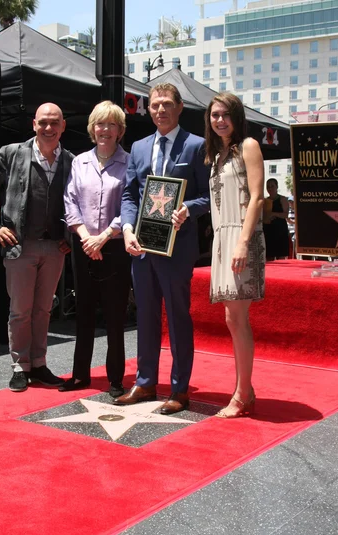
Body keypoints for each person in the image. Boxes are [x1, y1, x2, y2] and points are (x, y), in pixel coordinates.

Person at [116, 83, 210, 415]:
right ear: (148, 109)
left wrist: (189, 209)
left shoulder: (196, 146)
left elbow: (209, 195)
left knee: (178, 317)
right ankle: (145, 382)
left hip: (178, 247)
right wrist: (127, 228)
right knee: (145, 316)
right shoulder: (139, 147)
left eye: (167, 104)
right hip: (141, 246)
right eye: (155, 105)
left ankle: (180, 389)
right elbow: (129, 196)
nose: (160, 110)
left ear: (180, 107)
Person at [0, 103, 73, 392]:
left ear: (63, 126)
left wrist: (70, 234)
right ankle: (19, 365)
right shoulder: (12, 153)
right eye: (43, 122)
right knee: (20, 311)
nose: (49, 128)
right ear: (34, 124)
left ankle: (38, 363)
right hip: (20, 246)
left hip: (55, 247)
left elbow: (79, 201)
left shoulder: (71, 160)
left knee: (43, 310)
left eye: (54, 123)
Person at [60, 101, 131, 396]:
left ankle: (115, 378)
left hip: (114, 247)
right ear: (92, 129)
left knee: (115, 314)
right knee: (85, 311)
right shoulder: (79, 162)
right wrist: (85, 236)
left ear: (120, 131)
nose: (105, 129)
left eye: (111, 124)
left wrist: (102, 237)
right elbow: (70, 200)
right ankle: (80, 375)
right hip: (83, 245)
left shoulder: (129, 162)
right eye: (100, 124)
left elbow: (130, 203)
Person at [204, 92, 265, 418]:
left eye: (225, 114)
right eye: (215, 115)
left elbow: (257, 198)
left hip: (242, 237)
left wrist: (242, 242)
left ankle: (242, 395)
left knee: (238, 319)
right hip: (223, 238)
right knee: (232, 318)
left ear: (237, 116)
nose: (219, 120)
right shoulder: (218, 155)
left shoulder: (249, 147)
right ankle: (246, 390)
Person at [263, 178, 289, 260]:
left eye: (272, 186)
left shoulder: (283, 199)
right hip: (268, 229)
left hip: (280, 230)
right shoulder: (265, 200)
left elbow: (286, 214)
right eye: (268, 186)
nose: (270, 188)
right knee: (269, 256)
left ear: (277, 187)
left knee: (280, 256)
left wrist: (274, 214)